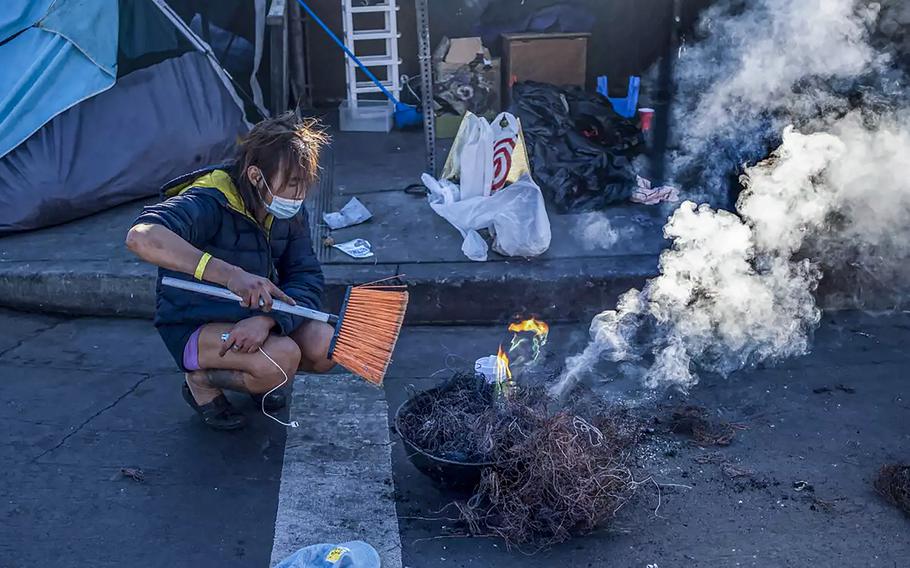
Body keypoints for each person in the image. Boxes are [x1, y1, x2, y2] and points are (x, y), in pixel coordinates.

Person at [126, 112, 334, 431]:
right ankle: (201, 382)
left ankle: (259, 376)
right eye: (292, 183)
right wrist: (230, 274)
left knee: (325, 344)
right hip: (194, 322)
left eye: (304, 183)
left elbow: (306, 275)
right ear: (254, 175)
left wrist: (268, 320)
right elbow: (141, 237)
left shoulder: (287, 210)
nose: (299, 194)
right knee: (280, 359)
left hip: (252, 316)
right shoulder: (210, 199)